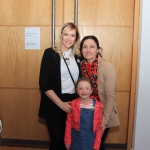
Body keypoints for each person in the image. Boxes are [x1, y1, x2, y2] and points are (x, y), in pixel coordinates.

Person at [38, 22, 81, 150]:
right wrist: (60, 104)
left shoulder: (78, 56)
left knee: (71, 140)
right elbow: (44, 83)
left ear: (76, 39)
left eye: (72, 35)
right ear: (61, 36)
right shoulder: (50, 53)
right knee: (57, 141)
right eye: (66, 34)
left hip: (73, 102)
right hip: (54, 102)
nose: (69, 38)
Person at [80, 35, 120, 150]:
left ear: (98, 49)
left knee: (97, 145)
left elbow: (109, 97)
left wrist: (104, 121)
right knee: (86, 144)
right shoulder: (79, 66)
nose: (88, 50)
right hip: (85, 113)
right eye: (85, 47)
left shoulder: (107, 67)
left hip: (102, 114)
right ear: (81, 50)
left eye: (92, 47)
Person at [64, 77, 103, 150]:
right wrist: (67, 140)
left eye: (87, 88)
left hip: (91, 141)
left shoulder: (98, 106)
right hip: (76, 140)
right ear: (77, 90)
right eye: (81, 88)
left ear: (91, 90)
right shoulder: (72, 104)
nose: (84, 91)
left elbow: (99, 127)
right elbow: (68, 123)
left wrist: (96, 146)